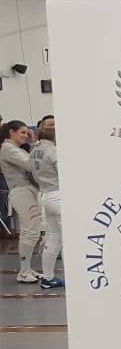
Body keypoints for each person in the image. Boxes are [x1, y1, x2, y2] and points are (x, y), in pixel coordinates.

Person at [0, 120, 39, 283]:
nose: (25, 135)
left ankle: (27, 268)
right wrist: (35, 143)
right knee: (30, 232)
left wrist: (33, 143)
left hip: (26, 191)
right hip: (21, 192)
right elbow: (32, 164)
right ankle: (23, 272)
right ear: (11, 132)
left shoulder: (14, 148)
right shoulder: (8, 149)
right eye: (22, 132)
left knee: (29, 232)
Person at [28, 122, 61, 289]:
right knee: (70, 239)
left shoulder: (34, 151)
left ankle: (48, 278)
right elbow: (65, 174)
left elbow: (31, 174)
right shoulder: (54, 151)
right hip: (59, 196)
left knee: (53, 239)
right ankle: (78, 277)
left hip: (45, 195)